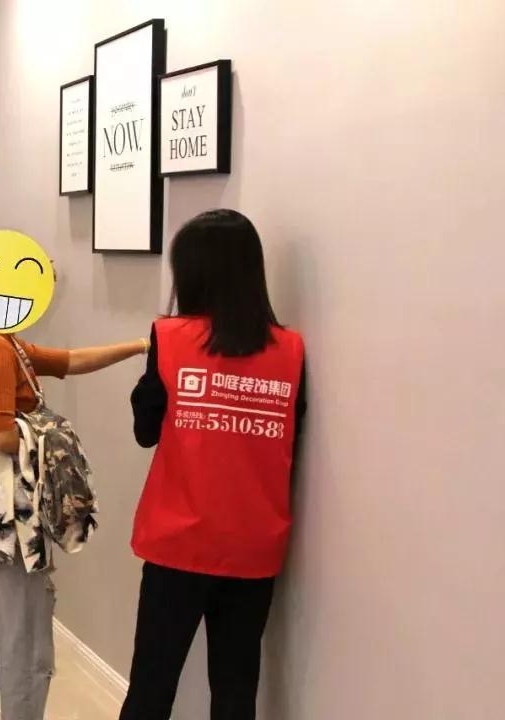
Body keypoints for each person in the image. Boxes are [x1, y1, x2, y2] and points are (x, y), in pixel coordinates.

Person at [119, 209, 307, 720]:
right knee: (235, 692)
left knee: (151, 687)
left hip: (178, 542)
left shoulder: (171, 338)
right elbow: (292, 440)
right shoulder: (291, 350)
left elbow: (145, 432)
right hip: (254, 545)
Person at [0, 263, 150, 720]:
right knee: (23, 637)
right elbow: (1, 436)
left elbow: (69, 361)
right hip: (4, 510)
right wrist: (54, 438)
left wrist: (139, 345)